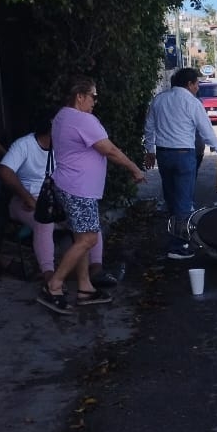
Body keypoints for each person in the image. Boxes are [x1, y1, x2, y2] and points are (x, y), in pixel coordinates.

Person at [37, 75, 146, 315]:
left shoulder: (61, 117)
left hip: (69, 185)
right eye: (93, 96)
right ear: (80, 96)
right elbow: (110, 150)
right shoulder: (82, 120)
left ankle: (85, 288)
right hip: (79, 190)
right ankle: (54, 285)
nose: (95, 101)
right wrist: (134, 169)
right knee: (88, 240)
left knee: (81, 238)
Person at [0, 116, 117, 286]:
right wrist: (27, 197)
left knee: (88, 216)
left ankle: (96, 269)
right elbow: (4, 171)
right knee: (44, 221)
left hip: (57, 200)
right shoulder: (24, 145)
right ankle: (48, 274)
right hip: (25, 201)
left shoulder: (64, 148)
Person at [143, 68, 217, 259]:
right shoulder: (191, 102)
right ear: (189, 84)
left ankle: (175, 237)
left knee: (172, 198)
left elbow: (149, 126)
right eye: (197, 84)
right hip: (184, 155)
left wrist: (150, 151)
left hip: (164, 155)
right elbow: (205, 129)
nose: (198, 87)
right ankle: (179, 245)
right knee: (184, 200)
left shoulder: (159, 99)